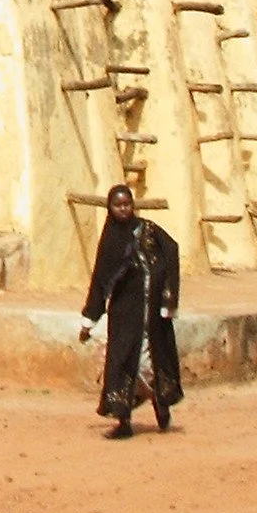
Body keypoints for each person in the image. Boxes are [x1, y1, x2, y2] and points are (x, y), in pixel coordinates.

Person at [77, 183, 182, 438]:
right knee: (122, 362)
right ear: (110, 208)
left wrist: (168, 297)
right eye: (118, 205)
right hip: (125, 315)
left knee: (151, 362)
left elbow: (171, 250)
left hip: (153, 315)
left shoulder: (148, 229)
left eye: (127, 204)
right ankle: (123, 422)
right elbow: (101, 280)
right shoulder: (110, 241)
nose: (123, 209)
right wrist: (89, 320)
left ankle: (161, 403)